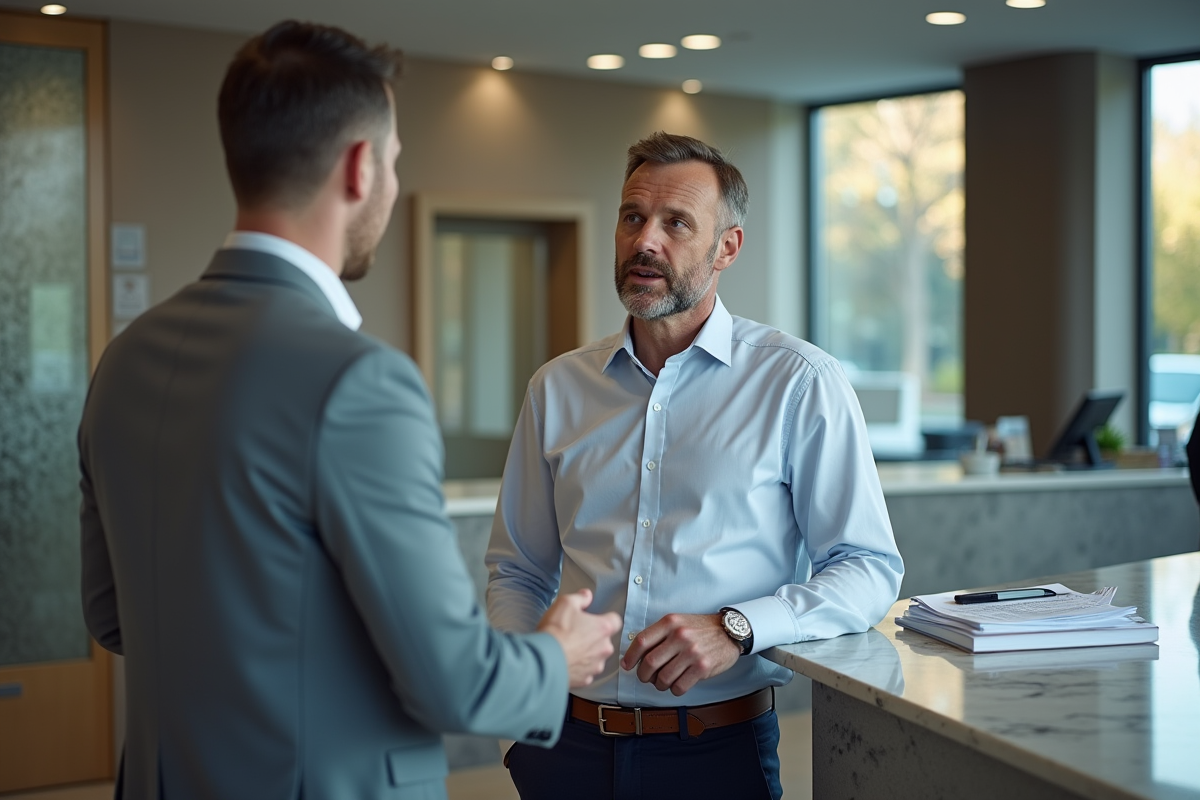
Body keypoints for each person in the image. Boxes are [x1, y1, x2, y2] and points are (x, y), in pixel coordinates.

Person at [79, 21, 619, 800]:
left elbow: (114, 615)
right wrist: (555, 656)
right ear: (362, 167)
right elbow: (453, 683)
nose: (394, 184)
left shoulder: (124, 359)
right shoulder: (361, 383)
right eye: (396, 161)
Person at [486, 131, 905, 799]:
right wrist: (522, 700)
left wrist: (739, 628)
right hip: (564, 749)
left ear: (726, 248)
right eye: (632, 217)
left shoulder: (798, 383)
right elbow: (519, 569)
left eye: (676, 222)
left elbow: (867, 565)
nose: (645, 240)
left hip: (717, 756)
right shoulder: (557, 388)